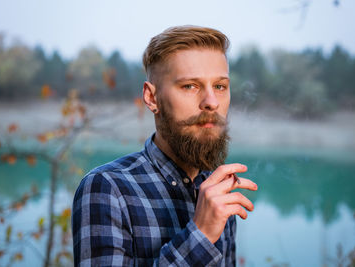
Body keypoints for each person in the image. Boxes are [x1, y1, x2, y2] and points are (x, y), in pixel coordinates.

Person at [72, 25, 258, 266]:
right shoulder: (107, 189)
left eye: (220, 87)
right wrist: (200, 235)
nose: (211, 102)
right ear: (152, 98)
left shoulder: (217, 192)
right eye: (190, 86)